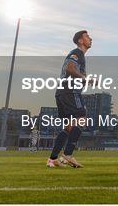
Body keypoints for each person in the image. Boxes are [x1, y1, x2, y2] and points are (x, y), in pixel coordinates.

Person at [47, 30, 93, 168]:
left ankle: (52, 159)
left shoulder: (80, 56)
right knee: (82, 118)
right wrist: (85, 78)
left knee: (68, 126)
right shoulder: (77, 53)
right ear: (80, 41)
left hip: (62, 92)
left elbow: (74, 74)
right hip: (69, 91)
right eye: (87, 36)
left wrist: (87, 81)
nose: (90, 38)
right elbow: (70, 69)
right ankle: (67, 155)